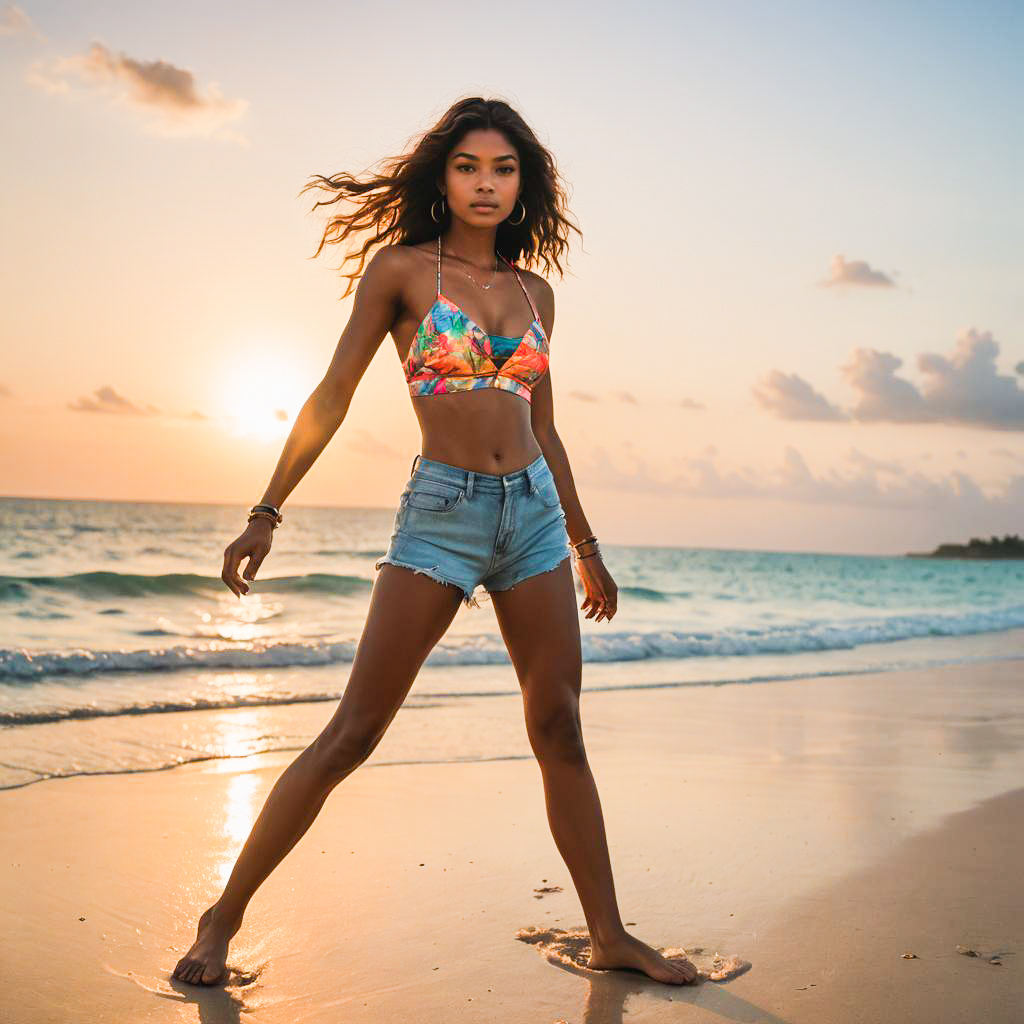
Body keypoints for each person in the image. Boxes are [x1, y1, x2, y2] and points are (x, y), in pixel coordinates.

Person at [172, 96, 697, 988]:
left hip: (530, 515)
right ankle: (220, 918)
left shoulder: (537, 293)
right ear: (442, 178)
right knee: (355, 732)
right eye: (468, 167)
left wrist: (586, 543)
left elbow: (547, 427)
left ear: (522, 184)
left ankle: (609, 934)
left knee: (559, 726)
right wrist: (267, 510)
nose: (485, 183)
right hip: (442, 517)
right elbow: (333, 393)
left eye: (503, 169)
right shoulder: (403, 272)